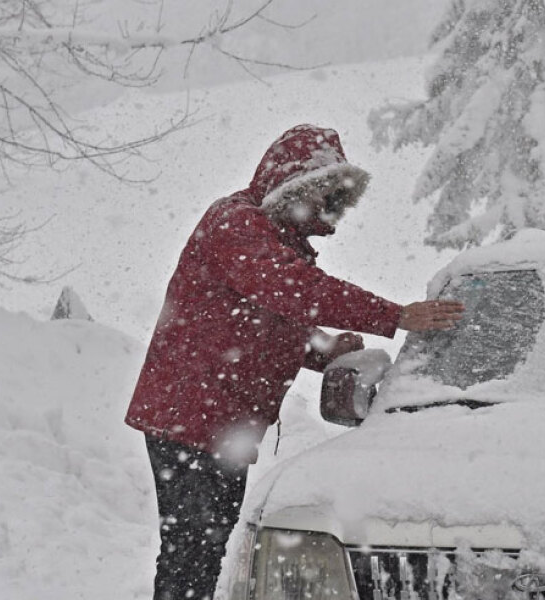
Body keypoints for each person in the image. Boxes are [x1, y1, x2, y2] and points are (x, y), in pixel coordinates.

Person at [124, 123, 464, 600]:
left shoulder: (276, 240)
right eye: (325, 190)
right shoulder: (237, 224)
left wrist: (326, 354)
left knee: (202, 546)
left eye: (337, 195)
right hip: (190, 414)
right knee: (192, 549)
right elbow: (294, 290)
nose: (331, 204)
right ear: (296, 186)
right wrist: (395, 315)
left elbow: (269, 321)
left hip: (217, 419)